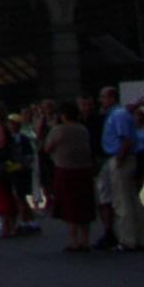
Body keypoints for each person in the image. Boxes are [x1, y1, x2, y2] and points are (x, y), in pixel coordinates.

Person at [99, 88, 144, 252]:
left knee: (122, 201)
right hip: (127, 158)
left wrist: (119, 159)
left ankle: (127, 240)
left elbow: (125, 139)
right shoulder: (122, 113)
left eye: (103, 97)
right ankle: (137, 237)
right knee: (132, 199)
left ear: (112, 97)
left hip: (120, 158)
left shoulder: (117, 115)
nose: (101, 100)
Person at [45, 101, 96, 251]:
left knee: (70, 207)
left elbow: (47, 148)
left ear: (63, 115)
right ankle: (85, 239)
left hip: (65, 169)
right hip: (84, 169)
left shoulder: (58, 130)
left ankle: (74, 240)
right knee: (84, 205)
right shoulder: (83, 129)